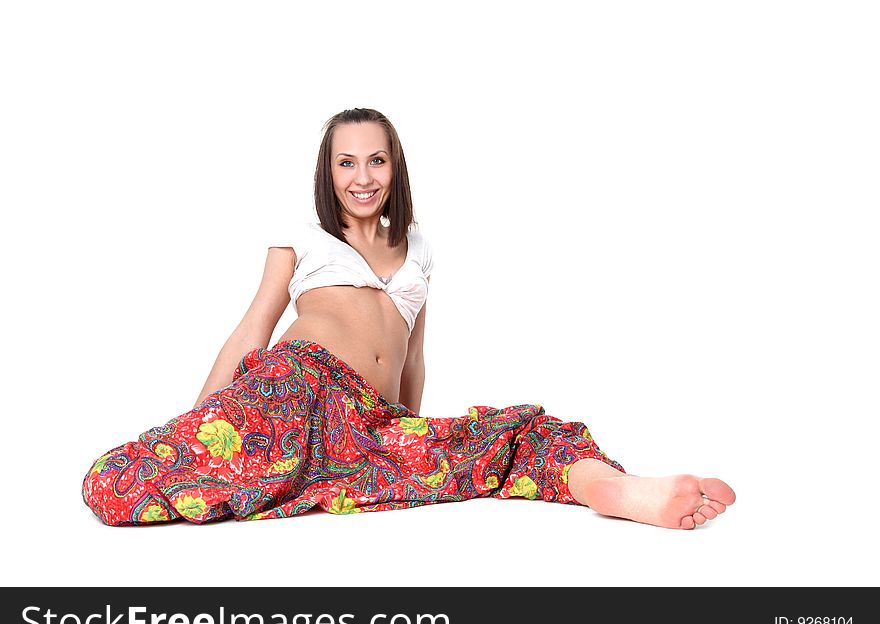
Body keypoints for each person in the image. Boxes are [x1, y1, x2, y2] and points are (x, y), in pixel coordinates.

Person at [82, 108, 735, 529]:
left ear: (393, 167)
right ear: (328, 171)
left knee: (516, 433)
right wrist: (199, 421)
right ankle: (222, 453)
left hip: (367, 423)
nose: (361, 177)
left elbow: (411, 360)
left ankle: (618, 492)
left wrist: (412, 437)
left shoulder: (418, 246)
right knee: (121, 483)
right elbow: (251, 331)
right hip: (291, 390)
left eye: (375, 159)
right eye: (346, 162)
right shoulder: (299, 237)